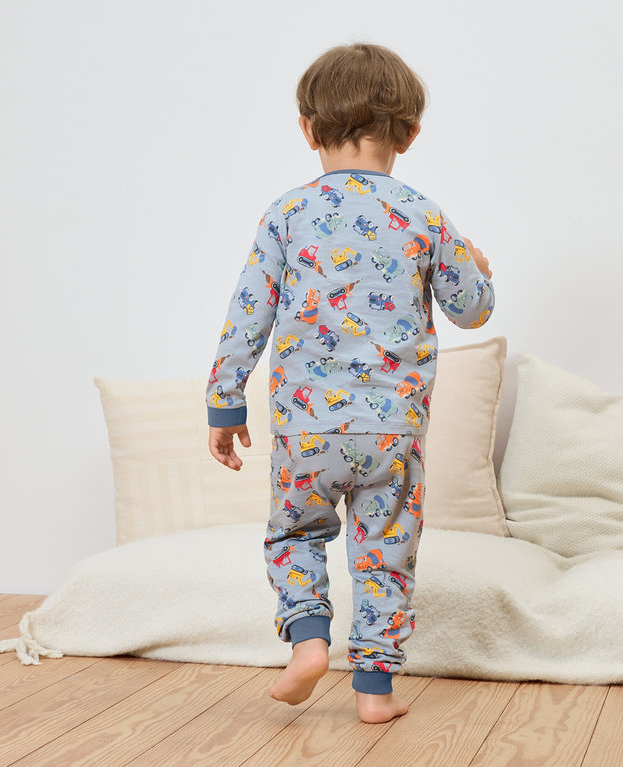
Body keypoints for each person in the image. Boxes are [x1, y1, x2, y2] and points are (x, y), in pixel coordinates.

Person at [205, 42, 494, 723]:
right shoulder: (422, 213)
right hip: (392, 432)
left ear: (308, 130)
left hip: (307, 429)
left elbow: (249, 312)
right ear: (411, 134)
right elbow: (472, 309)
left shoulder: (285, 214)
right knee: (385, 553)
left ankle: (307, 640)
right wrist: (477, 265)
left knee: (295, 534)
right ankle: (374, 691)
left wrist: (224, 401)